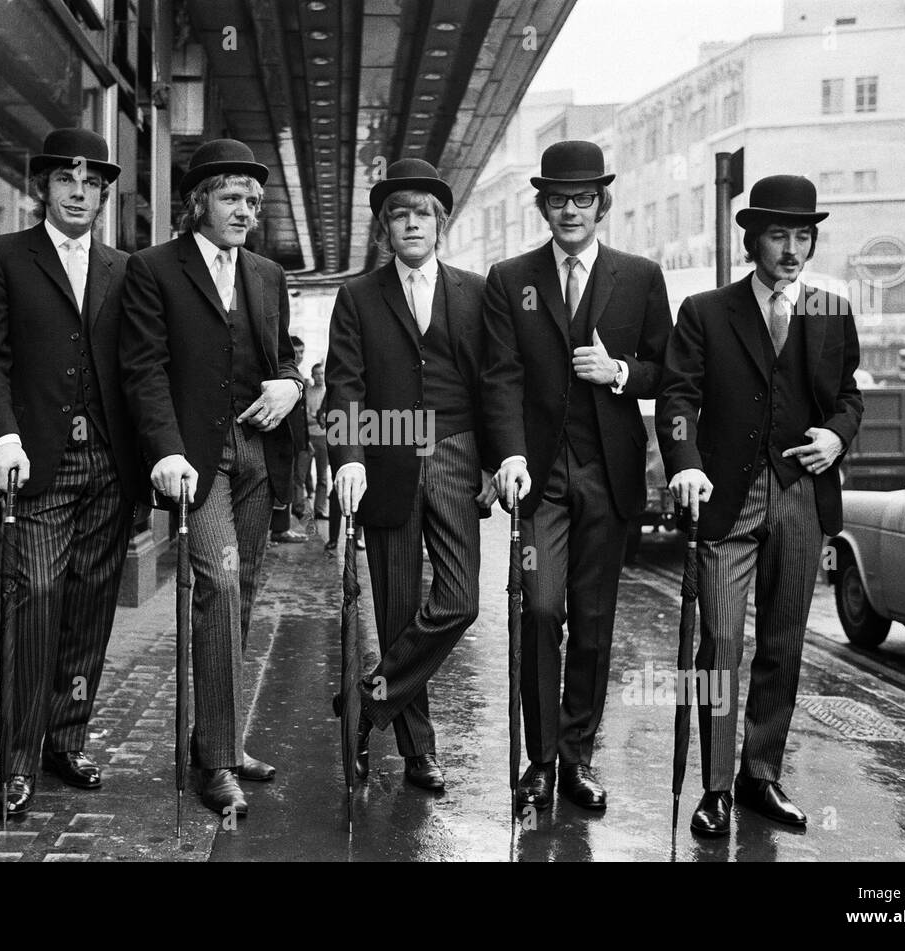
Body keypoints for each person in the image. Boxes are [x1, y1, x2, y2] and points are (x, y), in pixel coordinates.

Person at [656, 174, 862, 836]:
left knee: (783, 641)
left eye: (803, 236)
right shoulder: (706, 311)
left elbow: (849, 396)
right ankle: (714, 787)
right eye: (779, 235)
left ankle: (760, 774)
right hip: (726, 498)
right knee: (719, 642)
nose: (792, 249)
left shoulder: (831, 310)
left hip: (800, 496)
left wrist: (837, 433)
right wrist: (686, 465)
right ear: (753, 241)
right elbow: (678, 398)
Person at [482, 141, 671, 811]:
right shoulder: (511, 278)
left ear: (601, 204)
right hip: (540, 480)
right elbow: (500, 374)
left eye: (582, 198)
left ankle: (577, 756)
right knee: (540, 607)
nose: (570, 210)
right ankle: (540, 755)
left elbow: (665, 370)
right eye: (557, 199)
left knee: (594, 621)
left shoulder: (641, 277)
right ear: (542, 205)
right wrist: (507, 454)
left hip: (609, 472)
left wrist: (619, 373)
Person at [0, 128, 143, 819]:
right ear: (44, 187)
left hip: (109, 465)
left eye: (91, 182)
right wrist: (1, 435)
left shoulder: (126, 270)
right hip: (33, 463)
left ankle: (67, 739)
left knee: (91, 608)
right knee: (35, 596)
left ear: (101, 194)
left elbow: (141, 365)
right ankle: (16, 762)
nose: (78, 191)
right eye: (66, 180)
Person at [118, 138, 300, 818]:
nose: (245, 210)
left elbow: (283, 359)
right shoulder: (153, 269)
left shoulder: (266, 274)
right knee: (218, 583)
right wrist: (164, 449)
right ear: (199, 202)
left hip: (256, 452)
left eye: (253, 200)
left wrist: (289, 386)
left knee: (242, 592)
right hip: (196, 459)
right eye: (231, 198)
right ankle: (216, 763)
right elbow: (143, 368)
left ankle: (219, 736)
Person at [326, 159, 494, 790]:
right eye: (400, 216)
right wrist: (348, 462)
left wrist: (491, 460)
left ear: (439, 224)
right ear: (385, 230)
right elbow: (345, 385)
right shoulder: (358, 297)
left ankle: (367, 704)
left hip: (454, 453)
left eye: (422, 214)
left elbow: (493, 383)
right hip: (388, 462)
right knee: (397, 612)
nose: (412, 225)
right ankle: (418, 750)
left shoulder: (476, 291)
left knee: (459, 600)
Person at [270, 336, 310, 543]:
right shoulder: (281, 374)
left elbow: (302, 416)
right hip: (284, 439)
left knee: (294, 483)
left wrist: (306, 442)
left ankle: (282, 528)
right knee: (284, 484)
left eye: (303, 351)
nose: (300, 355)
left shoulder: (298, 376)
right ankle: (277, 529)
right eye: (297, 351)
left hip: (299, 443)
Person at [306, 362, 331, 520]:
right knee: (302, 475)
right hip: (308, 437)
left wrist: (314, 415)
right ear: (312, 375)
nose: (320, 376)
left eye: (322, 373)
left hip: (324, 438)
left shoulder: (329, 393)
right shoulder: (307, 393)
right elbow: (304, 418)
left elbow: (331, 418)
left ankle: (320, 509)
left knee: (322, 476)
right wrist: (318, 417)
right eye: (317, 373)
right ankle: (301, 508)